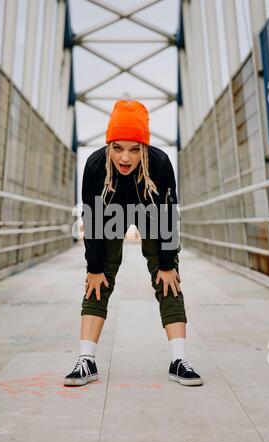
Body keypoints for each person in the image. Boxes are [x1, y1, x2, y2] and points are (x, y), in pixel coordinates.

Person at [64, 100, 203, 387]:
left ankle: (179, 360)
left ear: (144, 148)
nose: (125, 158)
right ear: (109, 145)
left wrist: (166, 263)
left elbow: (168, 216)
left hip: (150, 212)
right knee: (98, 276)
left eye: (134, 149)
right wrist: (94, 267)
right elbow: (91, 221)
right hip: (109, 213)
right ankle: (86, 360)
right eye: (117, 148)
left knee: (169, 277)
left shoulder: (161, 164)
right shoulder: (94, 166)